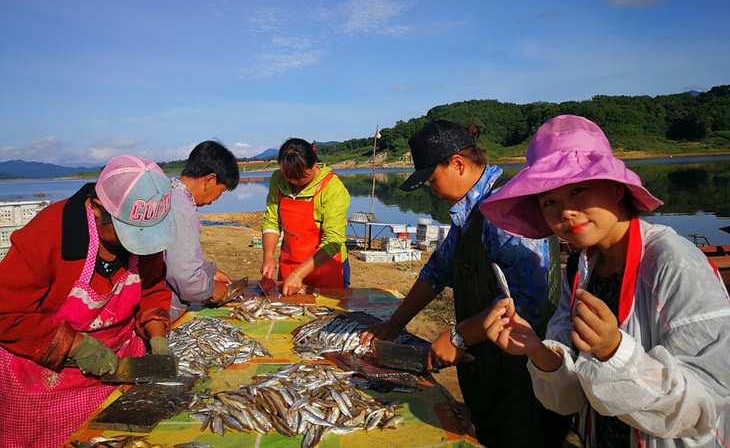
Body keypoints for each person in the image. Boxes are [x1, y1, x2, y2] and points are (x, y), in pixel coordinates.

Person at [479, 115, 730, 448]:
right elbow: (574, 399)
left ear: (615, 187)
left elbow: (708, 404)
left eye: (578, 190)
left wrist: (613, 351)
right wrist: (539, 352)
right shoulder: (580, 268)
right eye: (549, 201)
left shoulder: (674, 263)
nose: (565, 212)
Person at [360, 120, 558, 448]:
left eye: (432, 179)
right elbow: (437, 272)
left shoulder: (508, 210)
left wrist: (459, 336)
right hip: (486, 368)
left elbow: (529, 306)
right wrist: (395, 322)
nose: (432, 190)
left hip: (524, 376)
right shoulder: (469, 211)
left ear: (457, 164)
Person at [0, 155, 177, 448]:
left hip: (116, 369)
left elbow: (152, 289)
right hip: (45, 382)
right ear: (97, 208)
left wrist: (157, 336)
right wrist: (75, 345)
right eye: (130, 234)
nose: (142, 242)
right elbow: (6, 312)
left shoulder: (145, 239)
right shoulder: (49, 234)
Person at [260, 138, 350, 296]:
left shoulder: (332, 188)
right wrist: (268, 257)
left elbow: (334, 240)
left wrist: (299, 274)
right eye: (288, 176)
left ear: (314, 165)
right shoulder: (278, 180)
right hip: (289, 264)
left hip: (327, 266)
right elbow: (272, 221)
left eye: (300, 177)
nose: (293, 181)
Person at [164, 140, 240, 322]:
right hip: (163, 306)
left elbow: (171, 253)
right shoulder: (181, 208)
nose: (216, 199)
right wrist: (211, 288)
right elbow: (185, 277)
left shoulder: (169, 193)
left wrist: (209, 270)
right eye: (220, 191)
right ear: (210, 180)